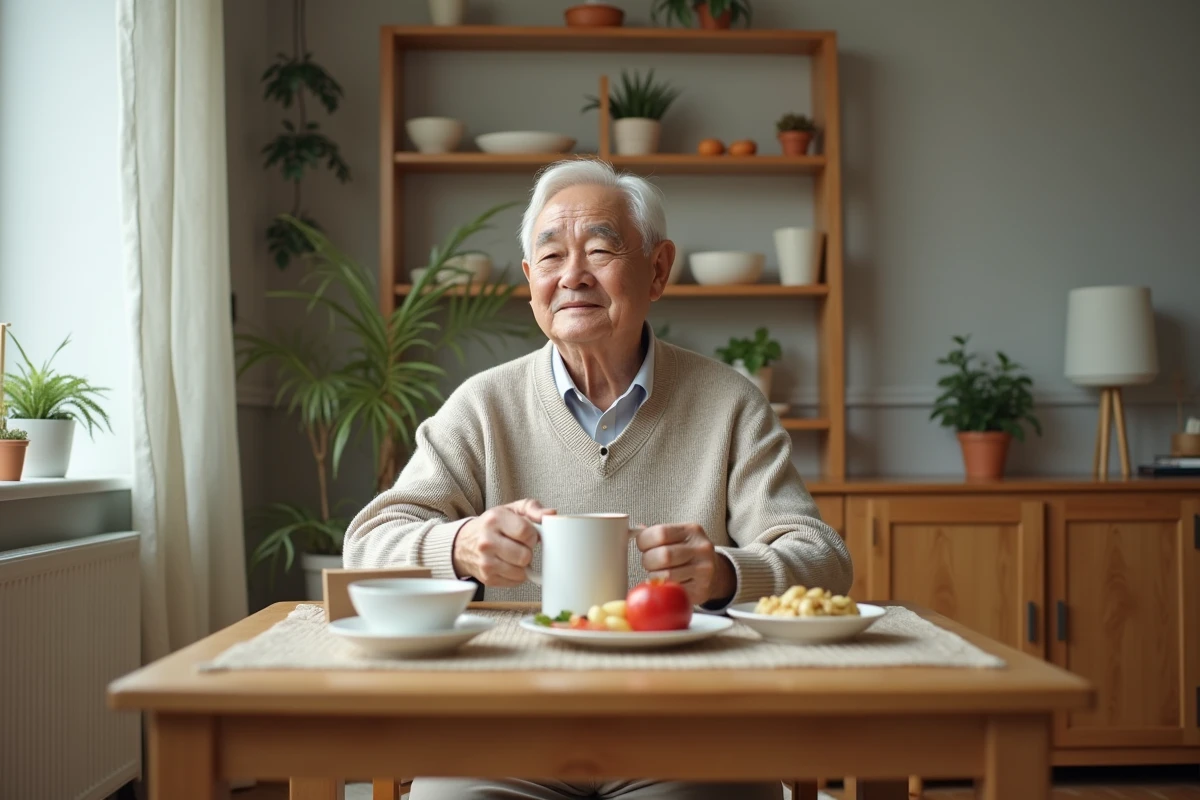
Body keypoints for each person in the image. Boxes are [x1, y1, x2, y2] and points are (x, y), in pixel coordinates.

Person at [343, 158, 853, 800]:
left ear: (659, 269)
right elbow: (366, 546)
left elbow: (824, 559)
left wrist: (724, 573)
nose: (573, 277)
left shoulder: (729, 403)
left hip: (688, 732)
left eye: (602, 250)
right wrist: (461, 545)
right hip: (502, 731)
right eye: (551, 256)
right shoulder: (483, 405)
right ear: (530, 281)